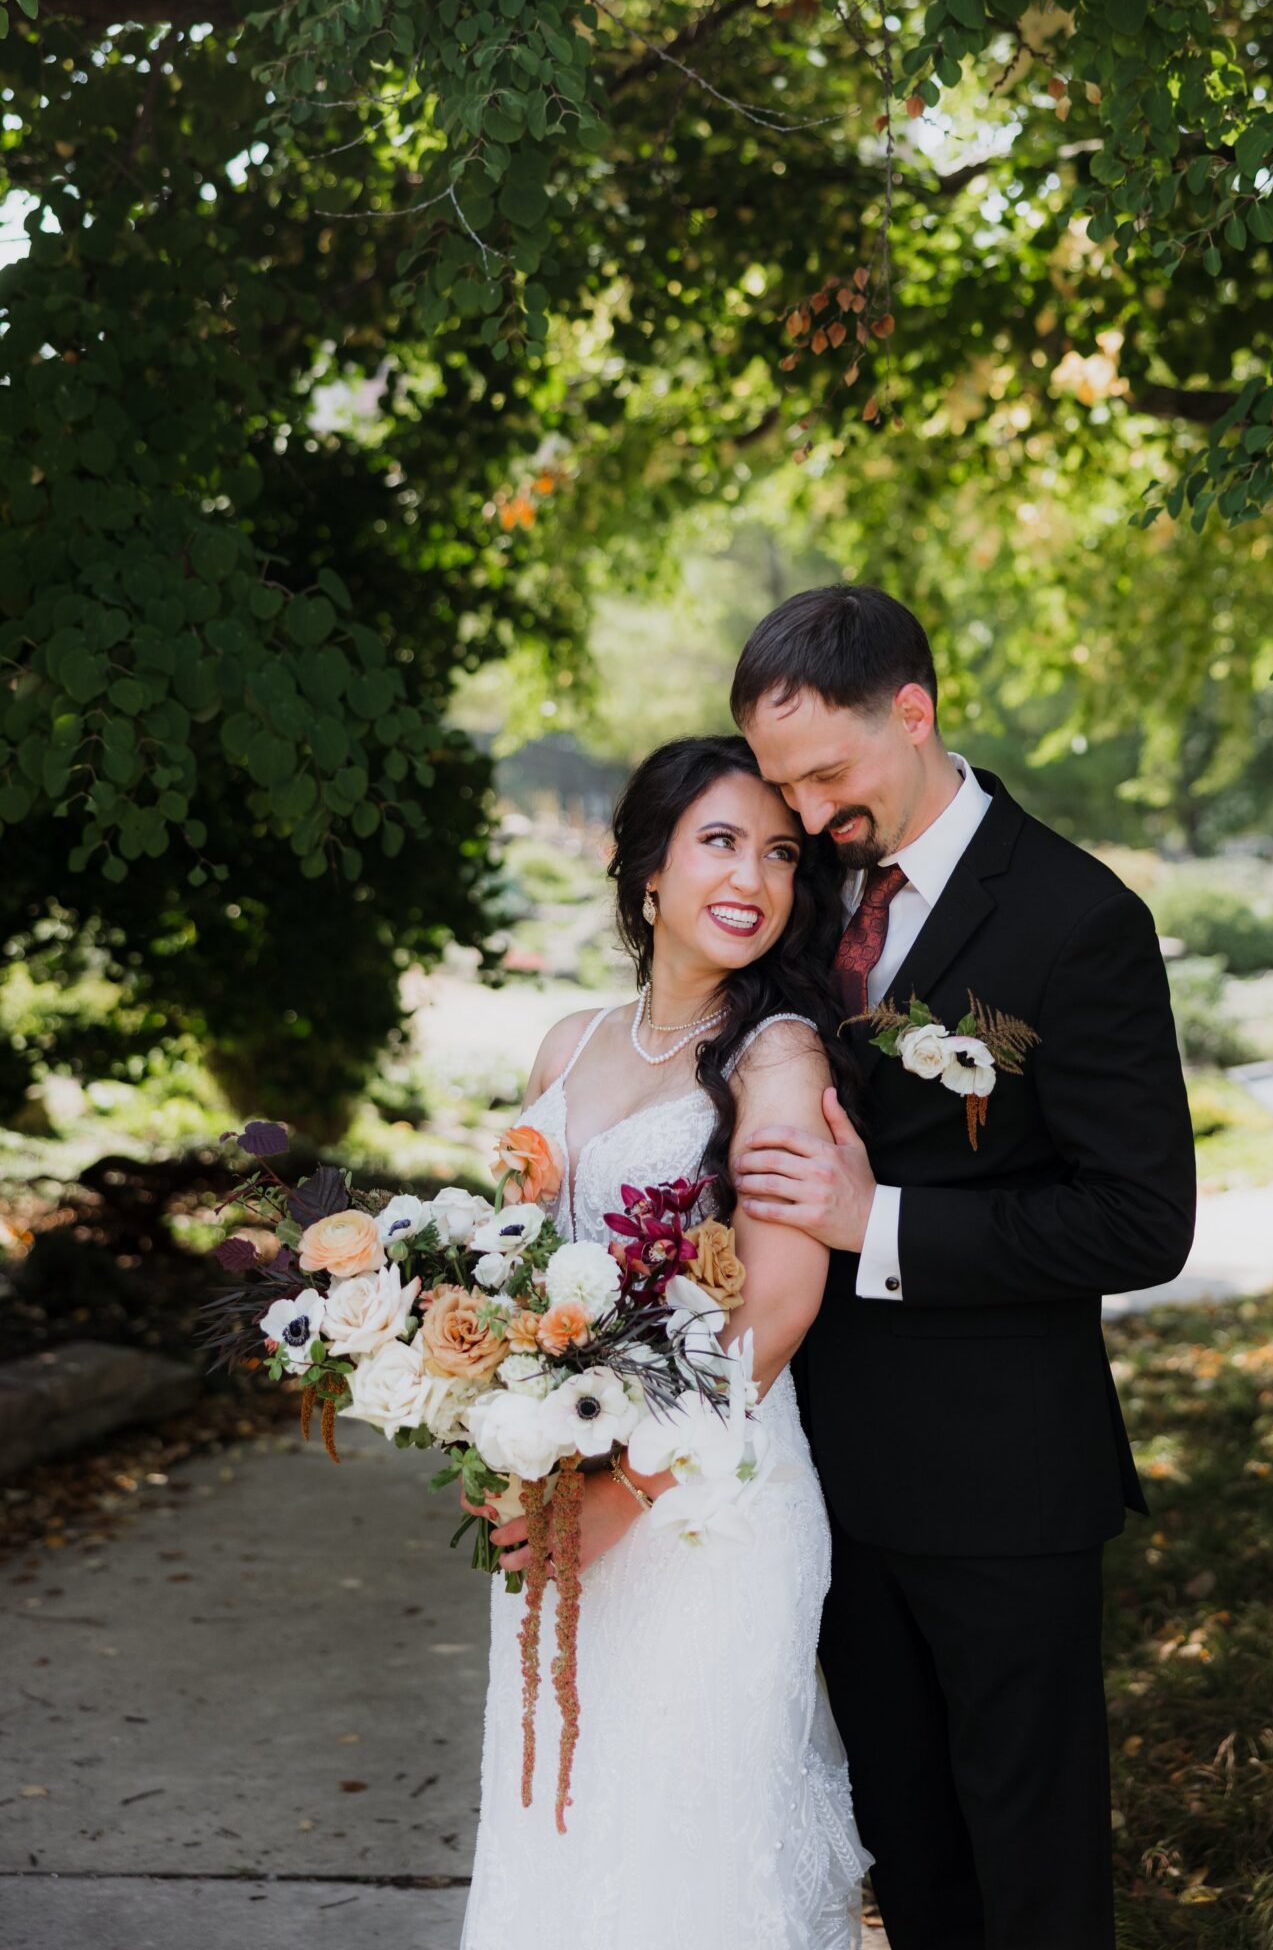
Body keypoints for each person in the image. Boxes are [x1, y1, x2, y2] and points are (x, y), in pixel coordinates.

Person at [731, 586, 1196, 1950]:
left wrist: (871, 1227)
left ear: (914, 712)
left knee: (1030, 1871)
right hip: (820, 1476)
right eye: (778, 785)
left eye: (826, 773)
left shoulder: (1071, 914)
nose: (805, 816)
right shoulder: (800, 899)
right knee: (911, 1865)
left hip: (1004, 1489)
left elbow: (1136, 1219)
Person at [459, 734, 870, 1949]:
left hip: (707, 1505)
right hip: (556, 1486)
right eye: (722, 841)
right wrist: (497, 1434)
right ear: (647, 870)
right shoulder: (567, 1043)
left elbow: (779, 1308)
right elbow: (518, 1275)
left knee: (691, 1852)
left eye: (782, 852)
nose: (755, 875)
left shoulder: (777, 1054)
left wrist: (623, 1492)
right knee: (565, 1820)